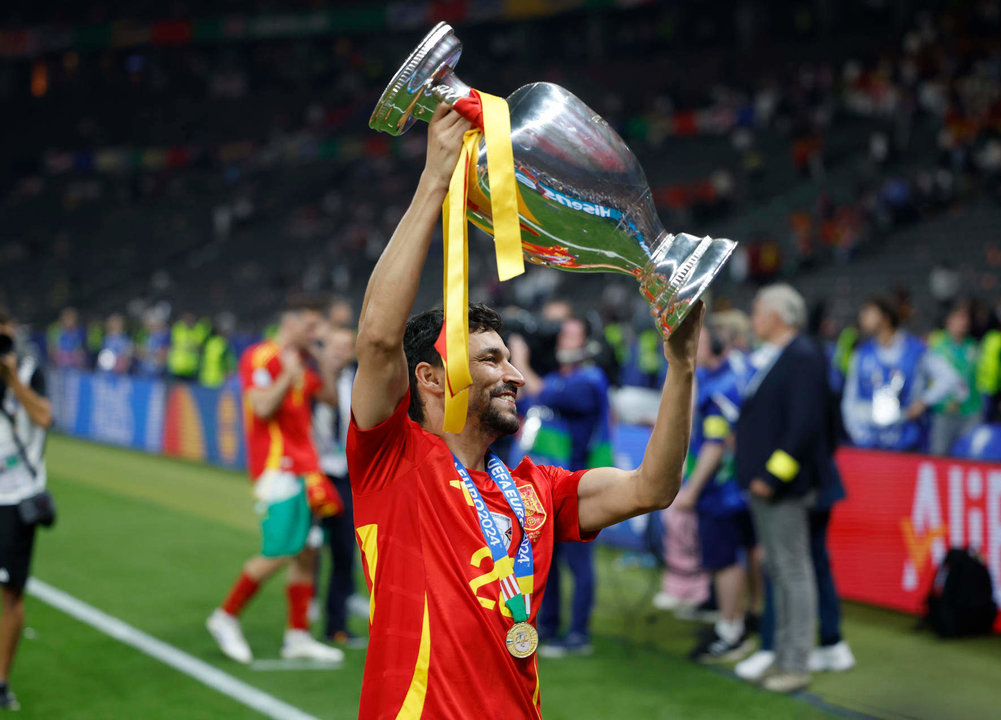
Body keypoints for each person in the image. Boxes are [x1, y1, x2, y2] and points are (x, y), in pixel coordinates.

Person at [347, 104, 702, 718]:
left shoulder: (536, 490)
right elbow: (379, 340)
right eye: (489, 360)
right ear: (429, 379)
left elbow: (653, 487)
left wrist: (682, 366)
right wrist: (436, 177)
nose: (514, 374)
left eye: (509, 359)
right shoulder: (392, 460)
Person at [206, 296, 346, 664]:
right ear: (292, 322)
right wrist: (287, 373)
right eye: (311, 326)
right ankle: (226, 616)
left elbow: (330, 398)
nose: (316, 333)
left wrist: (321, 361)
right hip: (277, 467)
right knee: (282, 550)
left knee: (307, 552)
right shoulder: (260, 356)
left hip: (305, 467)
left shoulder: (302, 361)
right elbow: (263, 407)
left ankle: (297, 636)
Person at [734, 284, 838, 693]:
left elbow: (803, 428)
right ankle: (781, 655)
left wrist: (773, 477)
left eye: (758, 310)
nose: (753, 317)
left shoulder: (803, 358)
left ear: (778, 315)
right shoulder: (785, 356)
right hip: (768, 487)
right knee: (781, 570)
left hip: (784, 489)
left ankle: (795, 664)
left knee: (793, 572)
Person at [508, 316, 611, 657]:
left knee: (578, 563)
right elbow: (524, 402)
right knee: (546, 560)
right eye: (562, 335)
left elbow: (542, 393)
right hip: (545, 487)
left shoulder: (590, 380)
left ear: (585, 342)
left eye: (571, 334)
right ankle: (549, 629)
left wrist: (520, 360)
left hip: (579, 486)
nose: (563, 340)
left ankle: (578, 634)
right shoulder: (555, 377)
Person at [681, 325, 761, 663]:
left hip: (722, 492)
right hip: (743, 486)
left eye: (697, 342)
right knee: (751, 549)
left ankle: (731, 630)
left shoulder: (719, 387)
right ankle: (753, 616)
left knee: (725, 561)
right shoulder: (740, 373)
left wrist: (690, 490)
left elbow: (715, 447)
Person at [0, 306, 53, 711]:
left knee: (11, 594)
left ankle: (0, 681)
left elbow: (45, 417)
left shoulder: (28, 372)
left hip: (16, 499)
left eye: (1, 338)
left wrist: (11, 377)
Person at [842, 296, 964, 452]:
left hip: (907, 442)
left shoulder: (916, 350)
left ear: (885, 318)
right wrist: (856, 433)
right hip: (869, 442)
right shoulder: (861, 354)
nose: (862, 317)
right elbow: (850, 399)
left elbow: (949, 378)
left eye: (869, 312)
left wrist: (924, 401)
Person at [311, 322, 367, 648]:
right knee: (307, 548)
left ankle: (337, 624)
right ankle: (302, 616)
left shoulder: (359, 380)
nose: (340, 352)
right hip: (313, 472)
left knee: (345, 552)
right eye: (334, 346)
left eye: (346, 346)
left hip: (345, 475)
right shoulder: (309, 380)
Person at [928, 303, 983, 455]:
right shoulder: (936, 346)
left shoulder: (973, 346)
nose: (964, 322)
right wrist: (946, 401)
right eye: (959, 317)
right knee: (939, 454)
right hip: (944, 412)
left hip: (970, 411)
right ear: (948, 321)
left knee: (971, 455)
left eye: (965, 318)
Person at [168, 313, 210, 382]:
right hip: (177, 367)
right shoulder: (178, 329)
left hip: (192, 368)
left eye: (190, 319)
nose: (188, 321)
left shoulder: (199, 331)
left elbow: (200, 345)